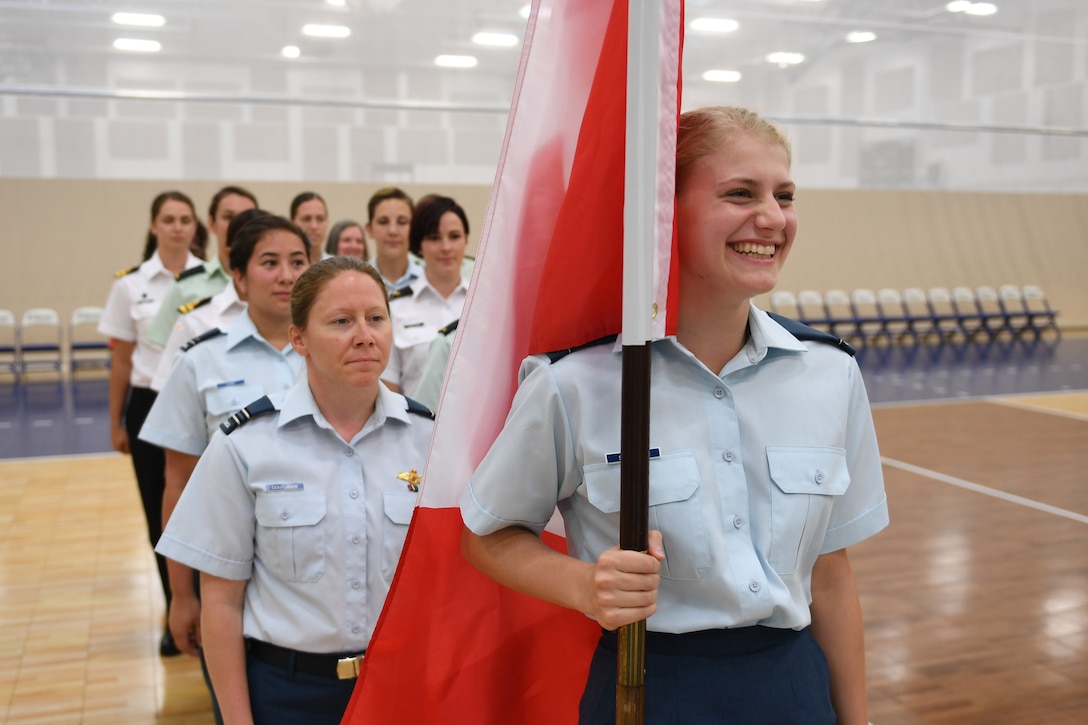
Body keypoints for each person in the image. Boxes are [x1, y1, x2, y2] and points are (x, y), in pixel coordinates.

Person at [459, 106, 889, 724]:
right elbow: (487, 535)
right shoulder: (580, 383)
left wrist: (856, 720)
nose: (771, 217)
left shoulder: (829, 373)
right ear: (663, 213)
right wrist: (585, 587)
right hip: (648, 687)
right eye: (740, 193)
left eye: (784, 195)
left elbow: (829, 571)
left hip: (792, 687)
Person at [157, 257, 434, 725]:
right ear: (299, 339)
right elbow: (221, 602)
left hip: (403, 684)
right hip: (288, 694)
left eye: (376, 318)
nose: (364, 335)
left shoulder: (430, 439)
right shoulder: (247, 443)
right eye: (341, 321)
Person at [98, 190, 206, 657]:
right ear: (153, 225)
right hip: (148, 404)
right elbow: (121, 361)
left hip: (201, 407)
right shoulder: (130, 286)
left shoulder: (215, 281)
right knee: (158, 514)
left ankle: (210, 610)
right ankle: (174, 612)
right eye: (169, 219)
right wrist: (117, 421)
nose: (178, 227)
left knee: (205, 512)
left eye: (185, 219)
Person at [150, 208, 269, 392]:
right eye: (269, 261)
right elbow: (170, 398)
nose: (284, 275)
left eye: (295, 262)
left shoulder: (301, 321)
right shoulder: (198, 321)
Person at [147, 186, 259, 347]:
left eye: (247, 217)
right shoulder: (185, 286)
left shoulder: (274, 285)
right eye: (228, 217)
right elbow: (163, 354)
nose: (239, 224)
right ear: (211, 223)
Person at [382, 195, 470, 398]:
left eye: (454, 236)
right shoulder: (396, 309)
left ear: (466, 240)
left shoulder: (484, 308)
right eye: (434, 238)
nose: (446, 247)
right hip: (416, 427)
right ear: (419, 245)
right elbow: (389, 391)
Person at [364, 187, 421, 292]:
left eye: (402, 222)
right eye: (383, 222)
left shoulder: (428, 283)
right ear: (369, 229)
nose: (393, 231)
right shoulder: (359, 281)